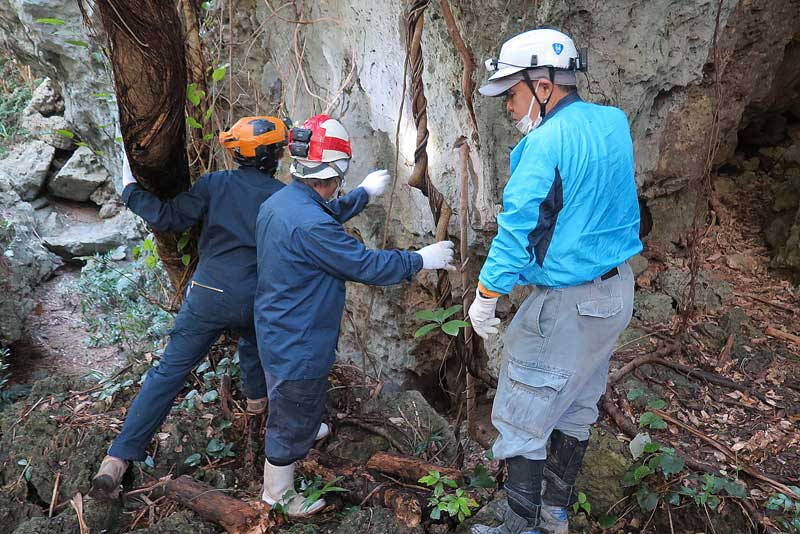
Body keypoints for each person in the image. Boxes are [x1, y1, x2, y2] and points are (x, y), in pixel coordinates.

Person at [467, 28, 642, 534]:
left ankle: (520, 528)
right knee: (577, 405)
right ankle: (554, 514)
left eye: (513, 93)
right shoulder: (613, 122)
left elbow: (516, 229)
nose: (508, 106)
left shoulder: (544, 145)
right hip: (615, 293)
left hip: (567, 304)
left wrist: (487, 295)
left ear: (543, 85)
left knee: (521, 414)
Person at [254, 114, 456, 516]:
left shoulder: (281, 202)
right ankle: (276, 493)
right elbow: (364, 265)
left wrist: (363, 195)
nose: (342, 186)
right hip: (299, 336)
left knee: (300, 395)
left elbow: (321, 220)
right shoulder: (311, 224)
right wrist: (419, 259)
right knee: (291, 410)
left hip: (280, 325)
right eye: (343, 179)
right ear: (331, 173)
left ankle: (307, 430)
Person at [92, 116, 292, 496]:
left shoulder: (215, 184)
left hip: (208, 295)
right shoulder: (281, 198)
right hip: (254, 298)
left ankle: (117, 458)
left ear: (239, 154)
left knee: (168, 373)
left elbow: (170, 218)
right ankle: (256, 408)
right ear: (273, 157)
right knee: (253, 342)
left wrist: (131, 190)